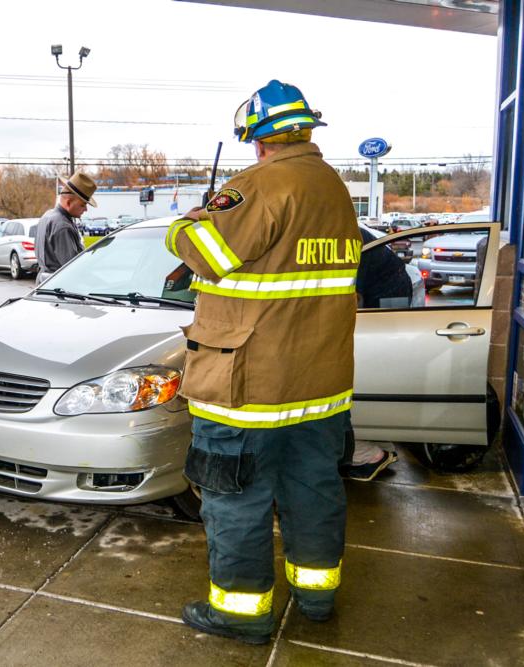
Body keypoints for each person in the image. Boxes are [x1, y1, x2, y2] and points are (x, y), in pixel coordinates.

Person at [164, 80, 360, 644]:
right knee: (314, 493)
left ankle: (242, 614)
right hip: (320, 387)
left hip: (247, 389)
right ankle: (316, 597)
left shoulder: (258, 185)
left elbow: (206, 253)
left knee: (236, 501)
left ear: (258, 138)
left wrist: (184, 226)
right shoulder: (333, 188)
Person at [343, 227, 412, 481]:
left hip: (389, 291)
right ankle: (379, 442)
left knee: (381, 347)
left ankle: (370, 453)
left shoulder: (343, 235)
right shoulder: (343, 228)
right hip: (388, 281)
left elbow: (351, 295)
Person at [34, 171, 97, 286]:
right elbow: (73, 269)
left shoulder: (47, 216)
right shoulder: (62, 226)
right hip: (59, 287)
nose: (86, 209)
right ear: (68, 203)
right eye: (83, 204)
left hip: (45, 283)